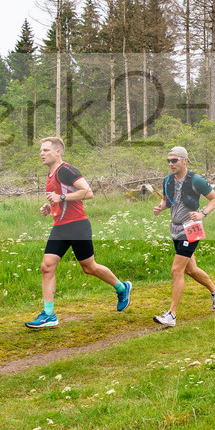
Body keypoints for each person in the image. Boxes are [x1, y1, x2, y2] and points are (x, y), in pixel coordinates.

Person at [26, 137, 132, 329]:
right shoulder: (50, 174)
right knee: (46, 267)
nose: (42, 153)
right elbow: (60, 199)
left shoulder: (67, 170)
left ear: (58, 152)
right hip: (60, 227)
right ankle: (49, 315)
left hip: (77, 226)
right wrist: (50, 207)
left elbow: (88, 192)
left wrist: (61, 197)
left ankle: (122, 287)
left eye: (46, 150)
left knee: (89, 267)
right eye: (41, 150)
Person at [151, 147, 215, 328]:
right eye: (169, 160)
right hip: (175, 228)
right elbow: (167, 201)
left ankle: (171, 315)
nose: (171, 164)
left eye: (174, 160)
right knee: (190, 270)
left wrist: (203, 213)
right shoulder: (167, 180)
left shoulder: (196, 180)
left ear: (185, 161)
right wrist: (160, 207)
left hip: (191, 228)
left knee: (177, 270)